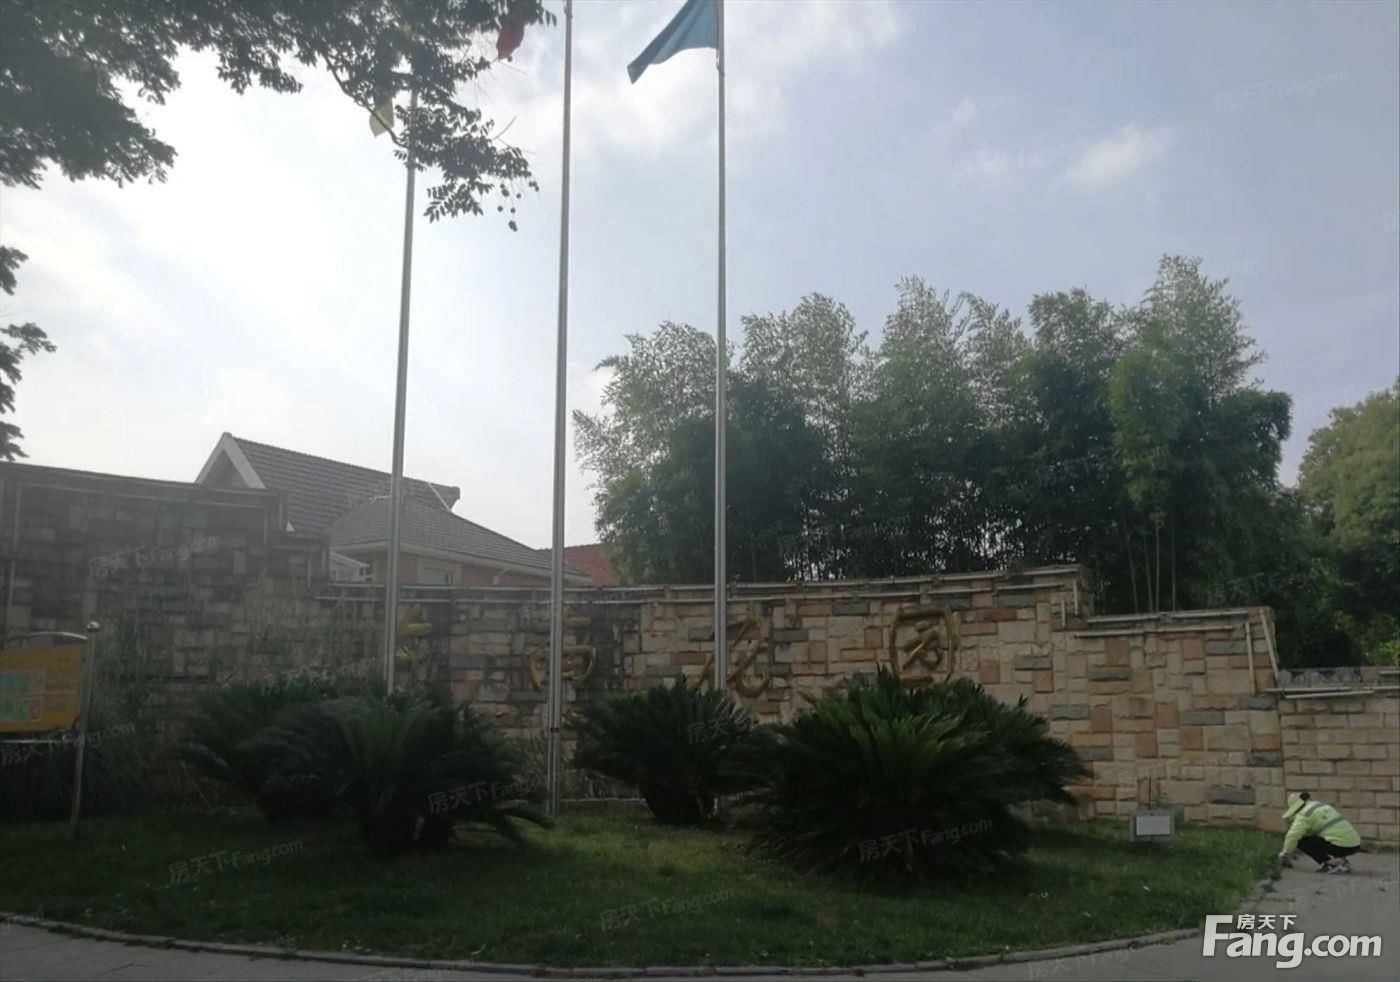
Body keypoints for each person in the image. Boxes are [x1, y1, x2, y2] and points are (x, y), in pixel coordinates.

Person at [1278, 791, 1361, 873]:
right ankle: (1342, 862)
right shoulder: (1322, 806)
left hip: (1341, 846)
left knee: (1301, 841)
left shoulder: (1304, 814)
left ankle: (1328, 864)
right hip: (1355, 845)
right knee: (1331, 837)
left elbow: (1292, 836)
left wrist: (1285, 854)